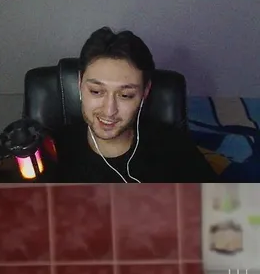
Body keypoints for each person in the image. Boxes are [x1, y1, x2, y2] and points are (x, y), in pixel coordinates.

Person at [47, 27, 217, 183]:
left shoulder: (174, 148)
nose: (109, 110)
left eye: (125, 95)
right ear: (80, 84)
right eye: (96, 91)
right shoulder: (51, 150)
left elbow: (221, 204)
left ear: (145, 92)